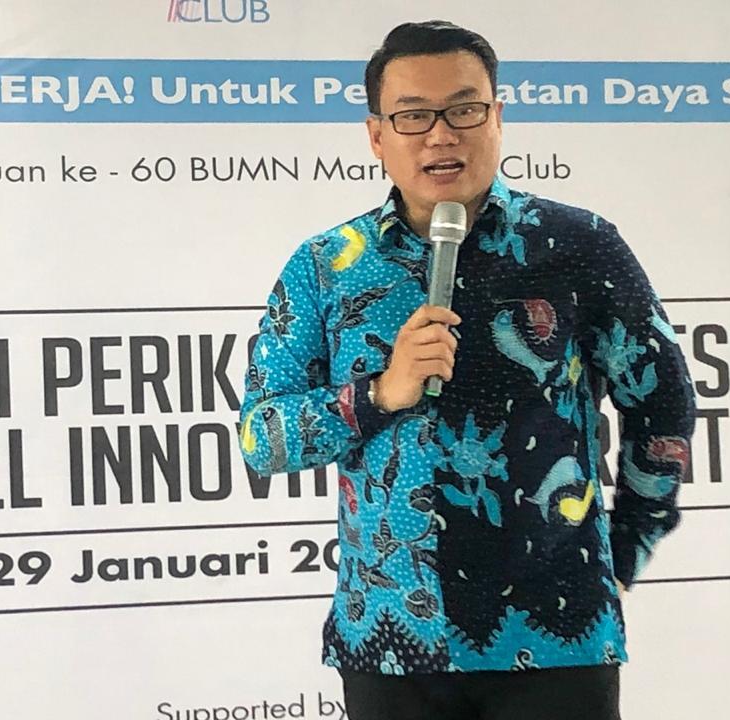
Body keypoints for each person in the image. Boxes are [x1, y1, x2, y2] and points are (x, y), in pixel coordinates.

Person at [237, 20, 697, 720]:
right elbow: (262, 439)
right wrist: (378, 394)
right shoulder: (326, 266)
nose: (441, 135)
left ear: (498, 116)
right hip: (391, 641)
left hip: (556, 638)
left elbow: (663, 403)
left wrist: (625, 552)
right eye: (413, 116)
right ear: (377, 136)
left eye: (464, 110)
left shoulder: (578, 245)